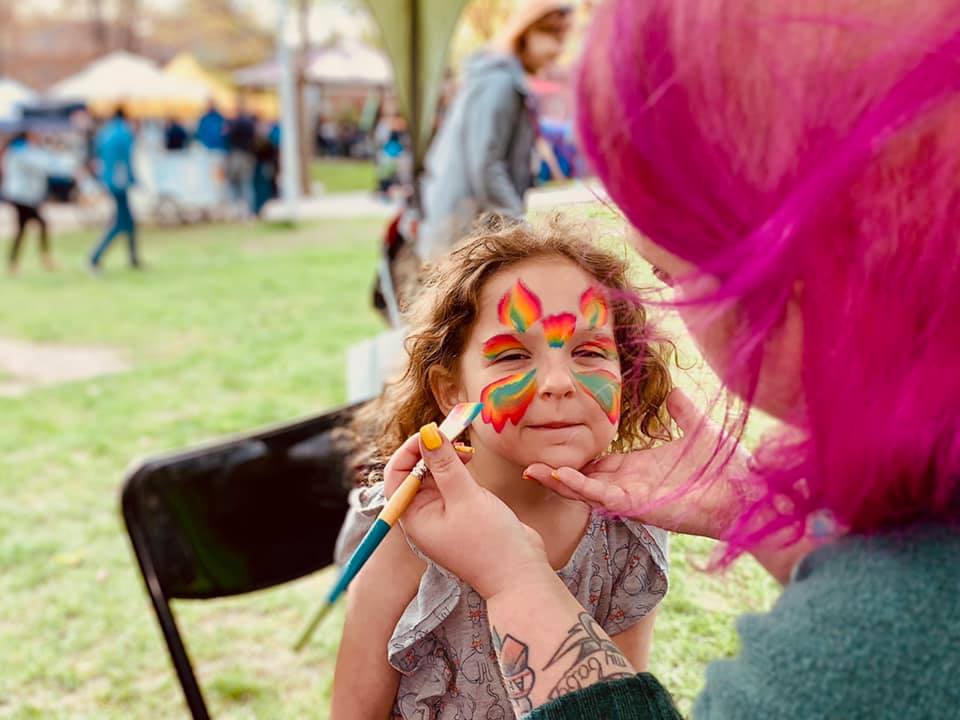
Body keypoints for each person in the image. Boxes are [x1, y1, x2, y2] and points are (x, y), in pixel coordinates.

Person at [380, 0, 960, 718]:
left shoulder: (870, 654)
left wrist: (513, 579)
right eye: (511, 355)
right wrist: (749, 506)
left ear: (801, 262)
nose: (557, 382)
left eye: (673, 273)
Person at [331, 217, 674, 719]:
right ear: (451, 390)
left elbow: (614, 702)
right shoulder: (405, 528)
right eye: (512, 356)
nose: (558, 383)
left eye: (588, 351)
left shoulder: (629, 525)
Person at [416, 0, 573, 263]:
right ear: (526, 32)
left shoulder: (505, 80)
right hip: (460, 234)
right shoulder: (499, 83)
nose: (559, 49)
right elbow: (486, 165)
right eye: (552, 35)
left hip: (467, 231)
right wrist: (520, 227)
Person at [89, 108, 140, 272]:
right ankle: (94, 258)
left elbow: (98, 156)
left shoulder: (104, 132)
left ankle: (133, 258)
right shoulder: (124, 133)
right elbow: (126, 159)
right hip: (120, 181)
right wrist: (133, 179)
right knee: (121, 222)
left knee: (128, 222)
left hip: (109, 180)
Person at [1, 130, 57, 275]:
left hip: (24, 196)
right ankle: (43, 258)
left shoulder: (18, 151)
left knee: (24, 229)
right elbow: (41, 166)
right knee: (39, 224)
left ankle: (15, 263)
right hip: (22, 197)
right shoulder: (21, 152)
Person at [224, 103, 257, 218]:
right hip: (247, 155)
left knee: (236, 184)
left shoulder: (236, 124)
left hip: (238, 155)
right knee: (245, 184)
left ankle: (238, 211)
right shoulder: (249, 123)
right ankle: (247, 211)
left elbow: (227, 135)